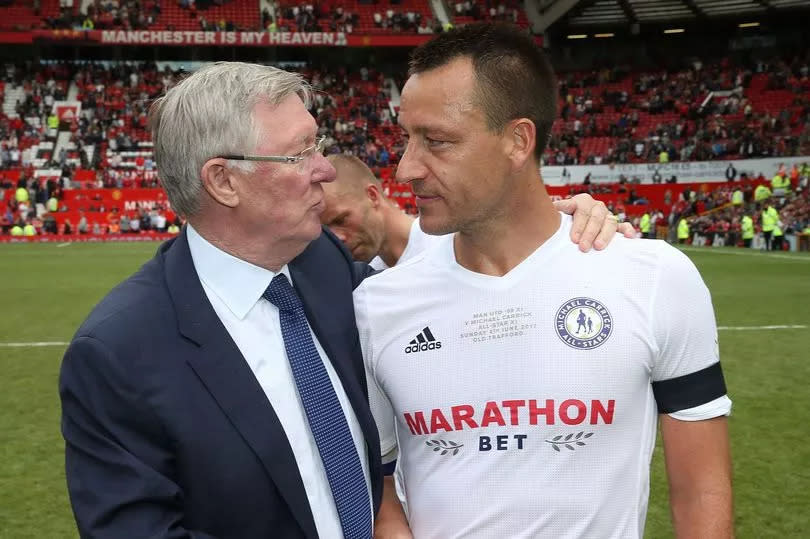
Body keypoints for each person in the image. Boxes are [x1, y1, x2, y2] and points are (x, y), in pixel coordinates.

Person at [355, 24, 732, 539]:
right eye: (406, 138)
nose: (405, 168)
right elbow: (375, 484)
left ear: (518, 140)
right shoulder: (377, 305)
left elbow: (700, 491)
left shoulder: (654, 278)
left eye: (436, 141)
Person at [59, 62, 382, 539]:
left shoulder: (324, 261)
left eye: (319, 145)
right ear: (224, 181)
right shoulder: (117, 355)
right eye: (300, 154)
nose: (326, 169)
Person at [320, 155, 633, 270]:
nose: (337, 237)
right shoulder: (360, 283)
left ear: (373, 195)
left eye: (340, 219)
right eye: (325, 229)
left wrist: (575, 218)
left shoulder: (462, 244)